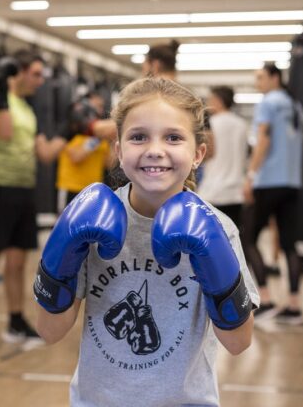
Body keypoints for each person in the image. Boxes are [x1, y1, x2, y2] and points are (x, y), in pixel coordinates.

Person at [34, 77, 259, 406]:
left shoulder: (218, 229)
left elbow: (239, 342)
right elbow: (49, 332)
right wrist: (59, 257)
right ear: (119, 151)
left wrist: (216, 265)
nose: (155, 150)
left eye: (173, 137)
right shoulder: (90, 221)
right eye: (138, 137)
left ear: (198, 153)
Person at [0, 49, 69, 353]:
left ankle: (15, 322)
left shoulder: (27, 108)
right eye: (35, 74)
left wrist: (69, 130)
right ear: (19, 72)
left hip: (26, 189)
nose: (39, 81)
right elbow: (5, 134)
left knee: (18, 260)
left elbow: (46, 154)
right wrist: (0, 89)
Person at [242, 63, 303, 325]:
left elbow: (263, 140)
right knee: (290, 244)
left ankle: (265, 301)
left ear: (274, 77)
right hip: (292, 182)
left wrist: (251, 175)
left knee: (246, 238)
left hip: (268, 181)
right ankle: (293, 306)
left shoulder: (268, 103)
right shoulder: (296, 106)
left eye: (260, 78)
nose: (257, 83)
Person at [198, 85, 249, 235]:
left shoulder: (211, 124)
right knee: (233, 239)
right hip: (236, 192)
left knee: (212, 240)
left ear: (218, 101)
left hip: (213, 191)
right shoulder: (241, 125)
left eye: (210, 99)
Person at [55, 91, 115, 211]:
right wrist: (97, 137)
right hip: (71, 189)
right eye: (96, 106)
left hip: (93, 190)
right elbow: (76, 157)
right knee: (68, 227)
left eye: (101, 107)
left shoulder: (101, 133)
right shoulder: (74, 129)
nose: (99, 110)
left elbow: (109, 164)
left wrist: (115, 142)